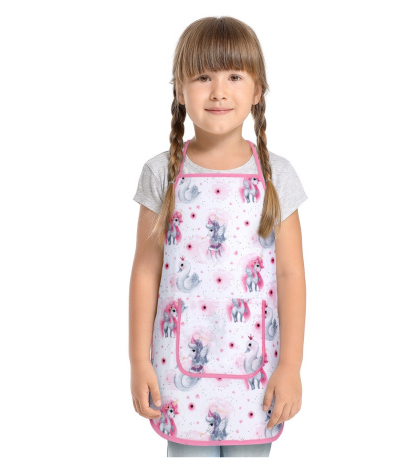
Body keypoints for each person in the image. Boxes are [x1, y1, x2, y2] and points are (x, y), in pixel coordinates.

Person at [129, 16, 307, 458]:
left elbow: (290, 274)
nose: (219, 92)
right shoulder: (160, 172)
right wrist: (138, 361)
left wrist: (291, 365)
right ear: (179, 89)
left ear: (258, 89)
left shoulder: (277, 174)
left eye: (234, 76)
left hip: (258, 370)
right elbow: (146, 272)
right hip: (178, 368)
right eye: (203, 77)